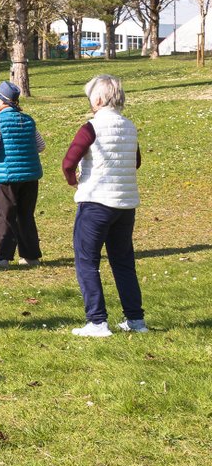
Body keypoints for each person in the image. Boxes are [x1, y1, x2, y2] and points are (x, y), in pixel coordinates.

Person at [64, 74, 146, 337]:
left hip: (96, 202)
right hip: (124, 204)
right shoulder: (129, 126)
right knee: (123, 262)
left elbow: (68, 162)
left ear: (98, 99)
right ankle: (136, 320)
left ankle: (97, 321)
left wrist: (73, 180)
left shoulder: (91, 127)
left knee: (87, 260)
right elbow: (136, 162)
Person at [0, 80, 45, 268]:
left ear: (3, 100)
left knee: (5, 215)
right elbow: (41, 146)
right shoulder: (27, 120)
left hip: (8, 176)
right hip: (31, 176)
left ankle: (2, 257)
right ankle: (30, 256)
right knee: (26, 215)